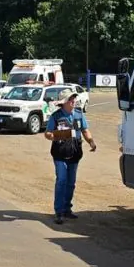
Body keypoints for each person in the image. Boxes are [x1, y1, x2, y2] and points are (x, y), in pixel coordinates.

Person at [44, 87, 96, 225]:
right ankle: (59, 212)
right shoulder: (56, 117)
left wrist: (91, 142)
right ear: (64, 102)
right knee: (61, 180)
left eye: (74, 99)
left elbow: (85, 130)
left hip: (74, 153)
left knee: (71, 183)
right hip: (60, 154)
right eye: (70, 99)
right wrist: (56, 136)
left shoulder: (79, 115)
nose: (73, 101)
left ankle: (67, 208)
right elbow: (47, 134)